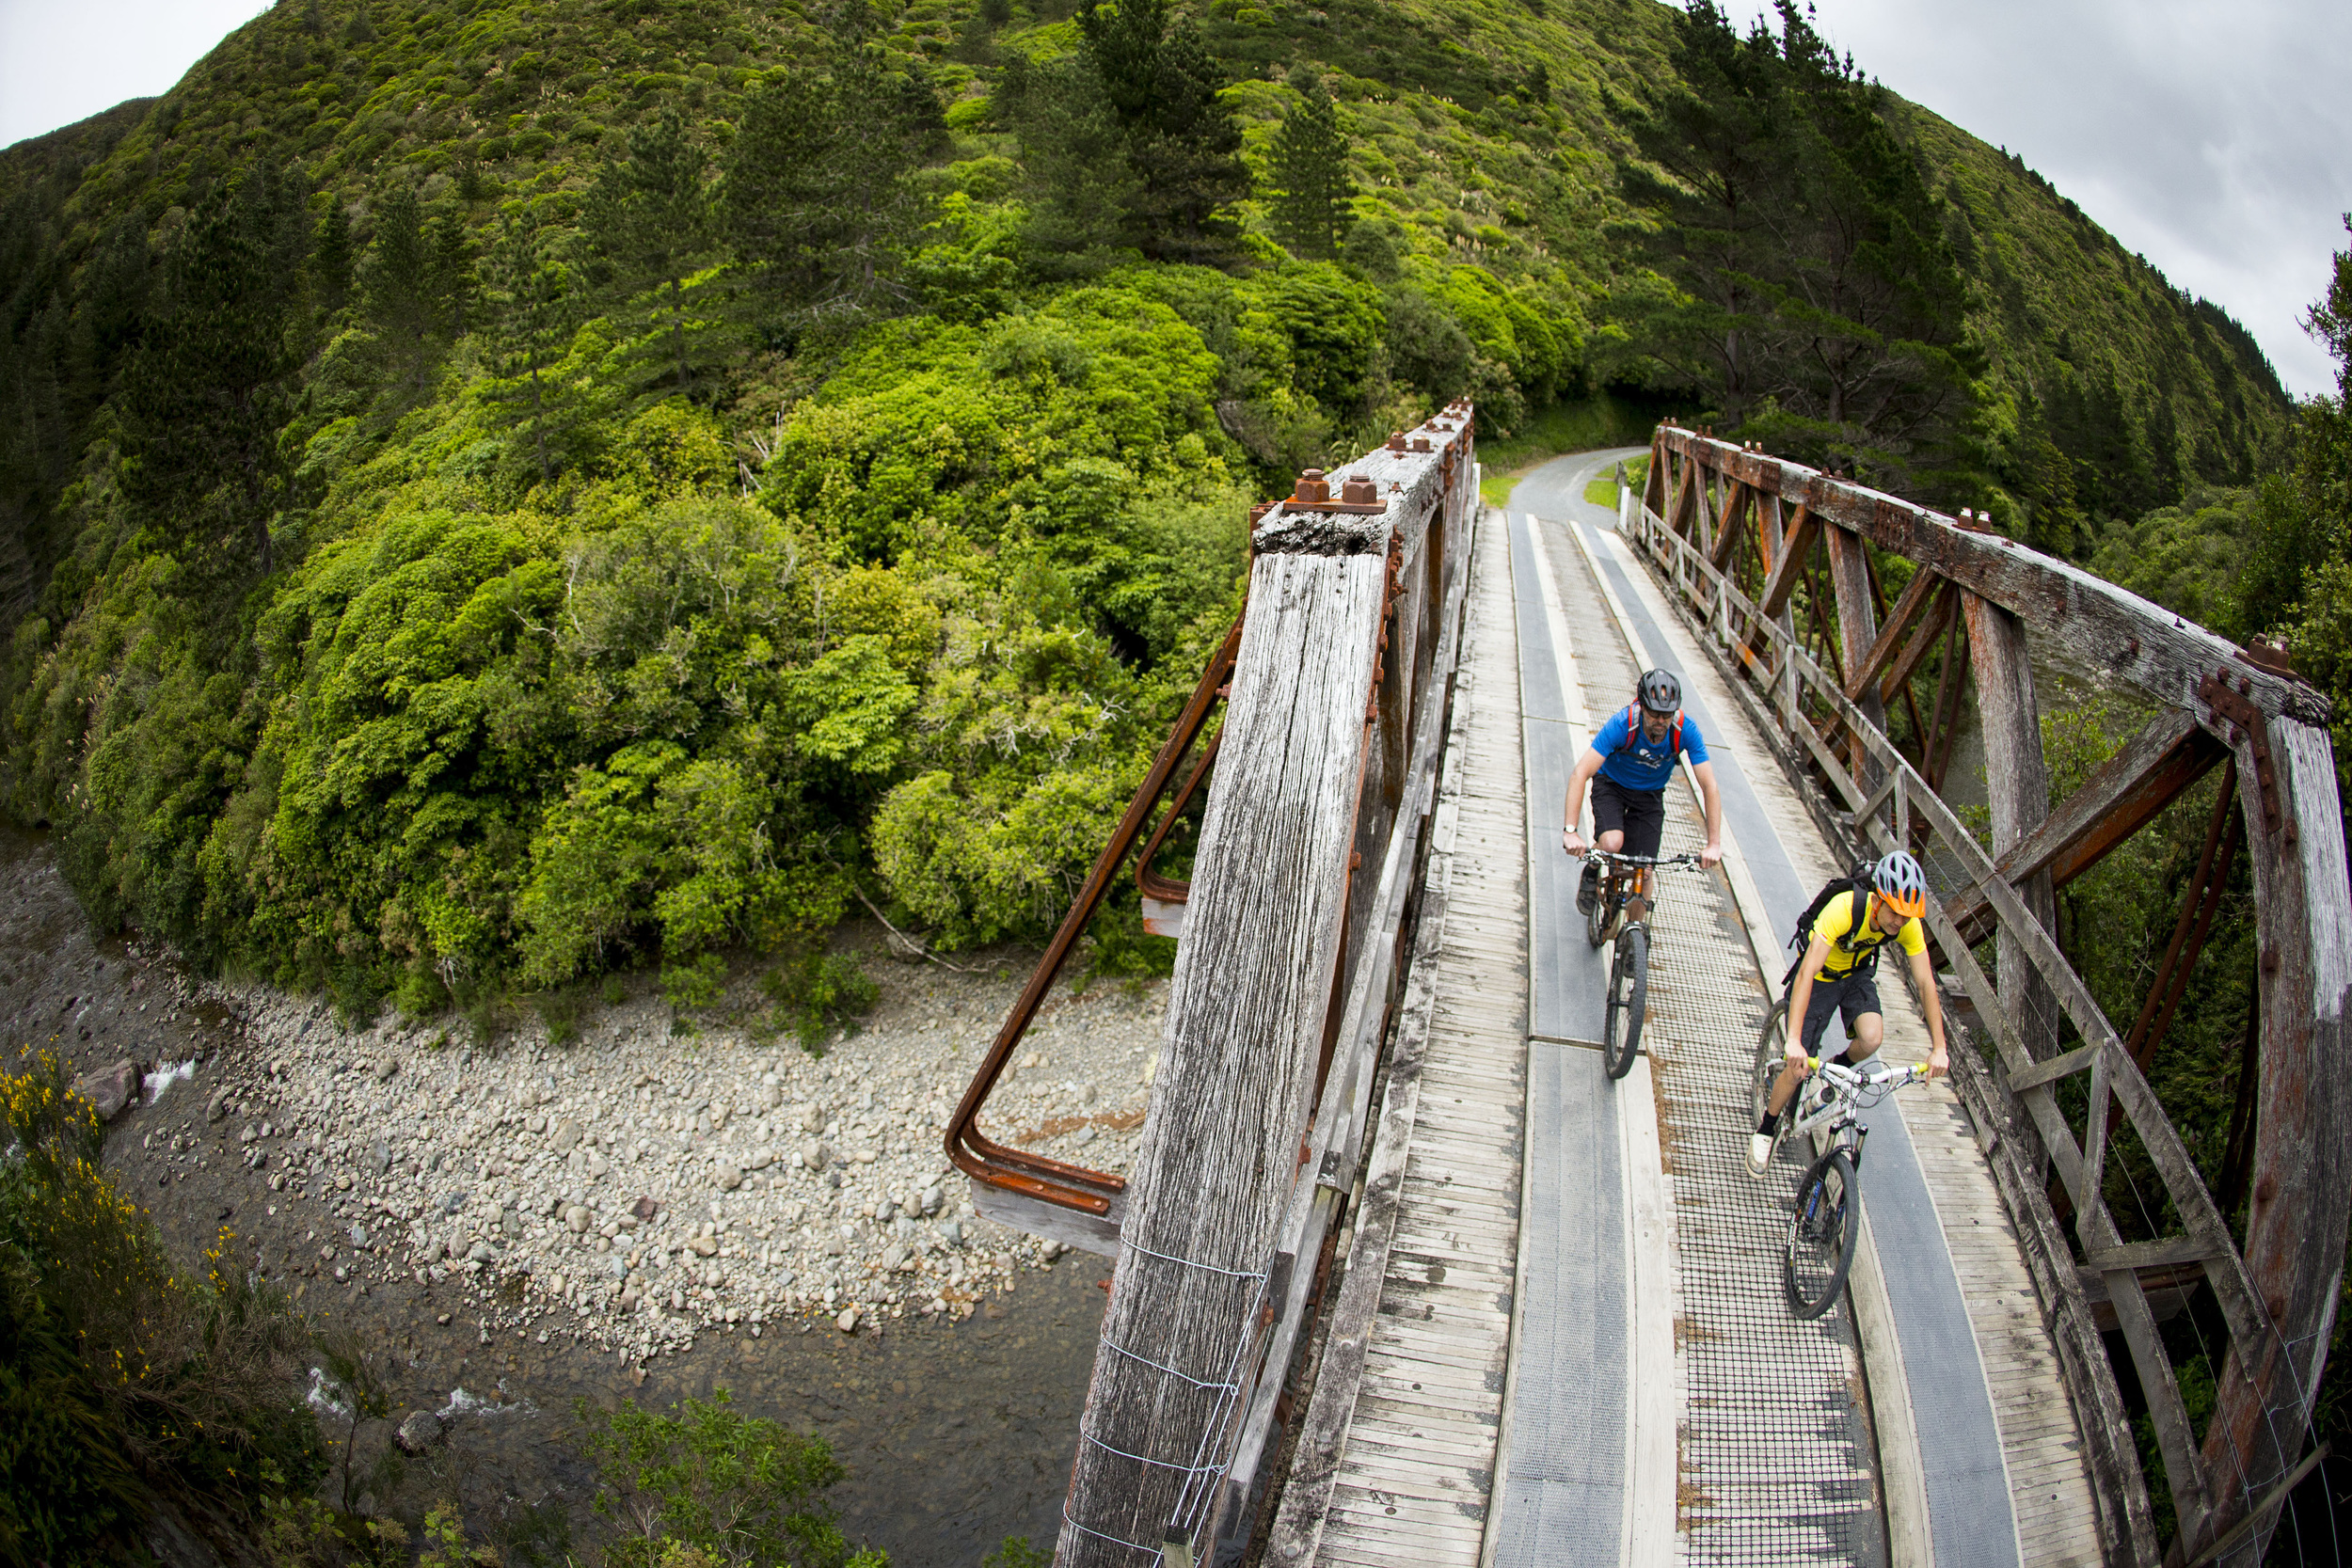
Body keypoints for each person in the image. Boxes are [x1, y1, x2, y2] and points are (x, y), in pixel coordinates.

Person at [1747, 849, 1949, 1177]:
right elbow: (1807, 971)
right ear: (1878, 900)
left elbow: (1926, 982)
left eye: (1906, 916)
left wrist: (1939, 1047)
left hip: (1856, 975)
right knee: (1797, 1067)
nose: (1899, 922)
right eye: (1895, 913)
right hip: (1822, 976)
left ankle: (1831, 1075)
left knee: (1871, 1038)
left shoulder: (1907, 925)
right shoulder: (1845, 908)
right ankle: (1766, 1129)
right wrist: (1794, 1039)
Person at [1561, 669, 1724, 911]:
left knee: (1644, 870)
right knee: (1612, 842)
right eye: (1655, 713)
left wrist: (1714, 843)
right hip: (1612, 785)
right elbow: (1580, 773)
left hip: (1649, 795)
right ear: (1642, 707)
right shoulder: (1622, 724)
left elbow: (1709, 786)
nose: (1661, 721)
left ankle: (1635, 935)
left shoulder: (1685, 730)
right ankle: (1592, 868)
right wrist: (1571, 831)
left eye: (1667, 715)